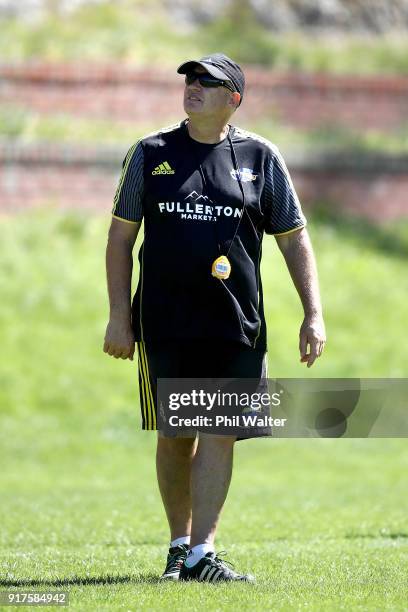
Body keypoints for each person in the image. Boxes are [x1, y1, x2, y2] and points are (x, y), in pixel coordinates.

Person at [103, 53, 326, 583]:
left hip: (236, 324)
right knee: (177, 434)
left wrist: (313, 313)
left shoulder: (261, 157)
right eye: (189, 79)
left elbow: (293, 237)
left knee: (219, 429)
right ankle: (179, 547)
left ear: (234, 98)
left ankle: (203, 554)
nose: (193, 87)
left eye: (208, 81)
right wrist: (118, 315)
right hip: (166, 319)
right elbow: (120, 238)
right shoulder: (149, 153)